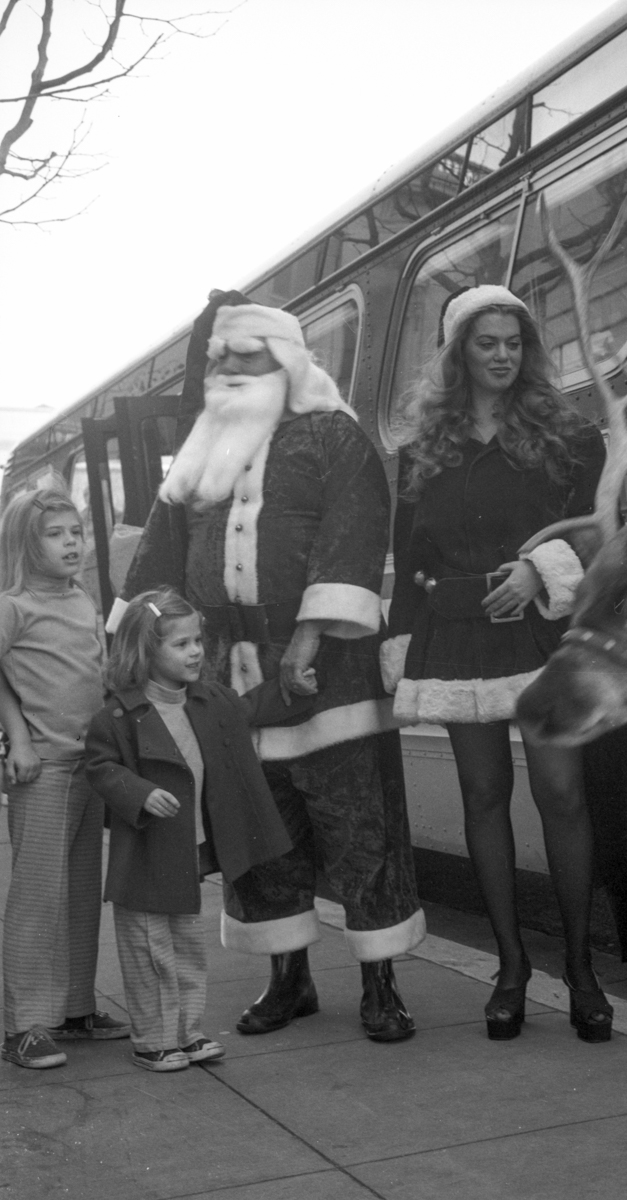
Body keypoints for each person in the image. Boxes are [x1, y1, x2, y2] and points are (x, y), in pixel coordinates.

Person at [115, 297, 424, 1043]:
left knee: (358, 827)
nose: (226, 372)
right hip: (225, 678)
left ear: (284, 362)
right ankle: (289, 980)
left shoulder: (332, 437)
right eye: (220, 360)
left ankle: (381, 982)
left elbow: (349, 540)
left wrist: (309, 642)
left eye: (243, 358)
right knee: (261, 832)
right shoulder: (195, 460)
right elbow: (158, 568)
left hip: (331, 673)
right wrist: (139, 653)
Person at [382, 284, 612, 1042]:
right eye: (488, 344)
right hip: (458, 636)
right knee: (484, 797)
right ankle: (511, 969)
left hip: (543, 633)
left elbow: (591, 532)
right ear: (459, 354)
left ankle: (581, 970)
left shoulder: (571, 437)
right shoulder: (422, 451)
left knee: (562, 795)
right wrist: (400, 650)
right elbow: (409, 554)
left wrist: (539, 567)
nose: (504, 356)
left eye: (514, 342)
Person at [86, 588, 300, 1071]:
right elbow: (99, 766)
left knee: (186, 947)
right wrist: (138, 792)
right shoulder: (120, 713)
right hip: (144, 855)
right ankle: (151, 1040)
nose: (196, 651)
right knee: (147, 949)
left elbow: (248, 709)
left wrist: (291, 686)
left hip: (183, 851)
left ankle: (186, 1033)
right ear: (145, 651)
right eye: (181, 644)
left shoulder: (207, 700)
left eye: (197, 640)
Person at [0, 485, 130, 1070]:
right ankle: (25, 1025)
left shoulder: (81, 600)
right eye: (56, 535)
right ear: (28, 544)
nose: (72, 543)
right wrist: (18, 739)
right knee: (37, 899)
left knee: (80, 892)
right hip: (45, 769)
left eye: (75, 532)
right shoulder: (13, 606)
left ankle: (76, 1009)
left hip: (90, 766)